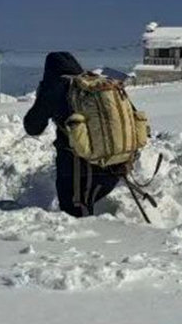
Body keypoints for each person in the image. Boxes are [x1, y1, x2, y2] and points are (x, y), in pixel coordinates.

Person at [23, 51, 123, 217]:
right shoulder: (96, 85)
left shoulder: (56, 87)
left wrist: (43, 96)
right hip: (115, 163)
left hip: (79, 167)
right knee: (84, 212)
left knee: (75, 217)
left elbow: (33, 127)